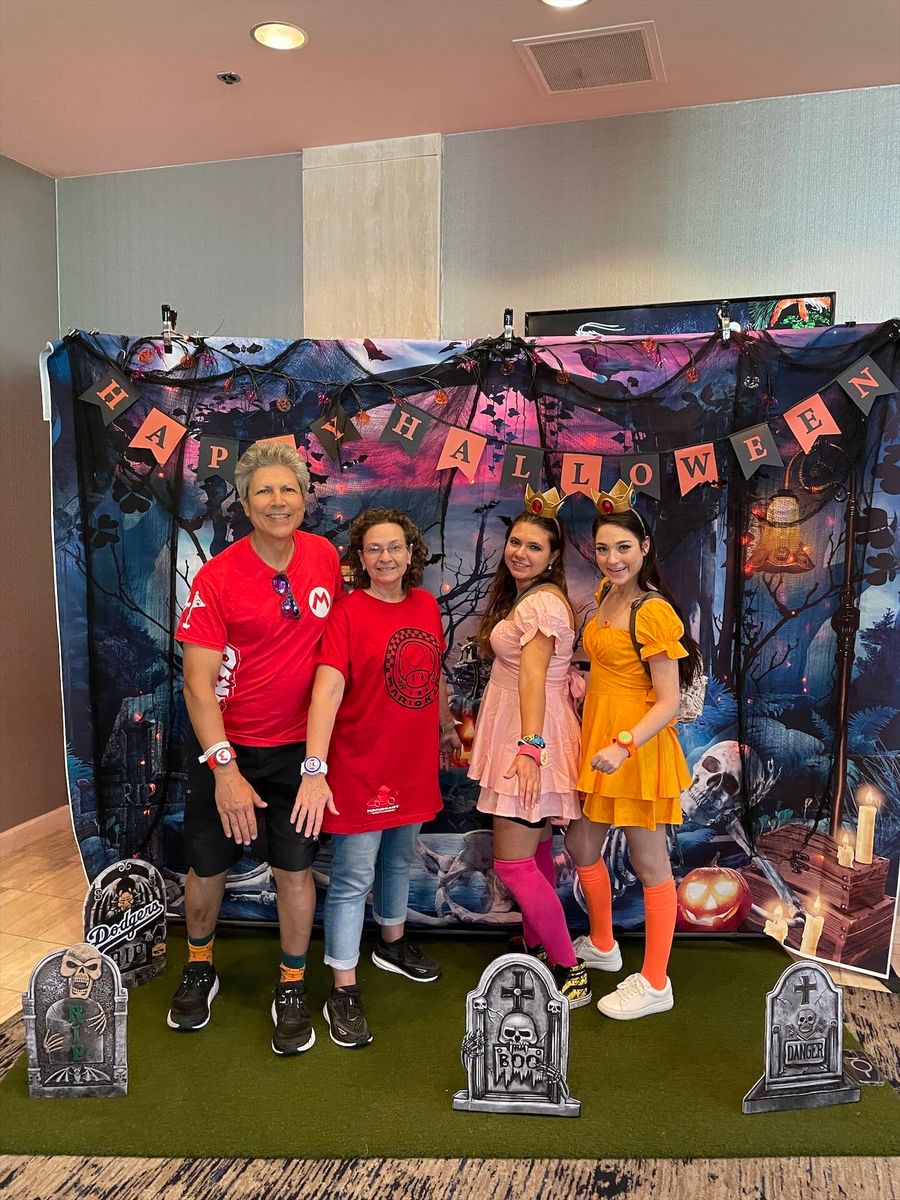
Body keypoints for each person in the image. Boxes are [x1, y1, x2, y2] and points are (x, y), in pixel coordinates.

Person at [168, 440, 342, 1055]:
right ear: (243, 503)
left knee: (295, 870)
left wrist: (317, 763)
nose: (277, 500)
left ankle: (292, 981)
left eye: (288, 489)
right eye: (263, 490)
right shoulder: (217, 577)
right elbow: (197, 685)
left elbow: (334, 658)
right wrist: (225, 772)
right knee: (207, 867)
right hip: (227, 748)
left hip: (297, 749)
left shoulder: (324, 557)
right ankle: (199, 964)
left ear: (305, 499)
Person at [293, 508, 460, 1048]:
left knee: (399, 858)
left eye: (394, 547)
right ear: (360, 559)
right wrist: (315, 769)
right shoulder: (347, 613)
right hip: (360, 765)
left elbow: (433, 675)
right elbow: (326, 691)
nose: (385, 557)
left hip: (412, 763)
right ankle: (343, 986)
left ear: (411, 553)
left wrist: (446, 728)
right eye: (374, 549)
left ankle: (392, 942)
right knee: (352, 877)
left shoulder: (427, 605)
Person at [565, 480, 702, 1020]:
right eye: (602, 548)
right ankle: (604, 944)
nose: (612, 558)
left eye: (623, 547)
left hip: (635, 749)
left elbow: (667, 701)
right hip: (598, 742)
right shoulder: (606, 593)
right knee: (581, 845)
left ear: (644, 547)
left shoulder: (652, 610)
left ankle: (655, 981)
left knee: (649, 865)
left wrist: (624, 746)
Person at [467, 489, 591, 1008]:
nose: (520, 553)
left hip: (528, 735)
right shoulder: (530, 597)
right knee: (537, 851)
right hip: (522, 730)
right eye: (516, 542)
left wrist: (530, 750)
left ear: (554, 555)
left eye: (535, 547)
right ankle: (538, 947)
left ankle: (569, 969)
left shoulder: (541, 603)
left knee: (513, 864)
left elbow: (535, 679)